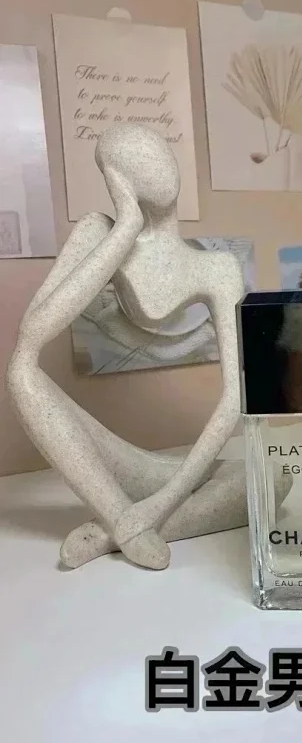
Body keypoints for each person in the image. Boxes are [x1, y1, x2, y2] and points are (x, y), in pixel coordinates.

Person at [6, 124, 263, 569]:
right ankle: (122, 517)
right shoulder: (99, 233)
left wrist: (162, 502)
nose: (155, 165)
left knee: (273, 482)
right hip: (116, 462)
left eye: (158, 151)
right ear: (115, 179)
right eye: (130, 161)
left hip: (179, 473)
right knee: (19, 373)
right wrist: (126, 227)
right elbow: (31, 337)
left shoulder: (217, 267)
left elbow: (235, 398)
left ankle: (116, 529)